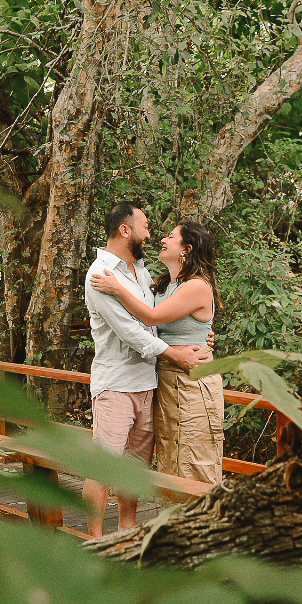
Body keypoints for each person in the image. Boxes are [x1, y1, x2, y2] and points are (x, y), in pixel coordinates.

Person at [82, 202, 211, 538]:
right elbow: (134, 331)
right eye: (146, 226)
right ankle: (94, 540)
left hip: (147, 383)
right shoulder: (101, 274)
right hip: (116, 383)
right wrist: (175, 354)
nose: (151, 234)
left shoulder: (141, 270)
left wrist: (201, 334)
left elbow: (159, 316)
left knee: (135, 467)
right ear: (125, 230)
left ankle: (128, 529)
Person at [90, 219, 223, 488]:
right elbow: (147, 327)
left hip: (192, 380)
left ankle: (202, 526)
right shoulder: (161, 285)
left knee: (194, 459)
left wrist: (116, 289)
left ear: (186, 248)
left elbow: (150, 318)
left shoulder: (197, 285)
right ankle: (173, 527)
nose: (161, 239)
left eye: (170, 236)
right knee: (170, 458)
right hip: (164, 380)